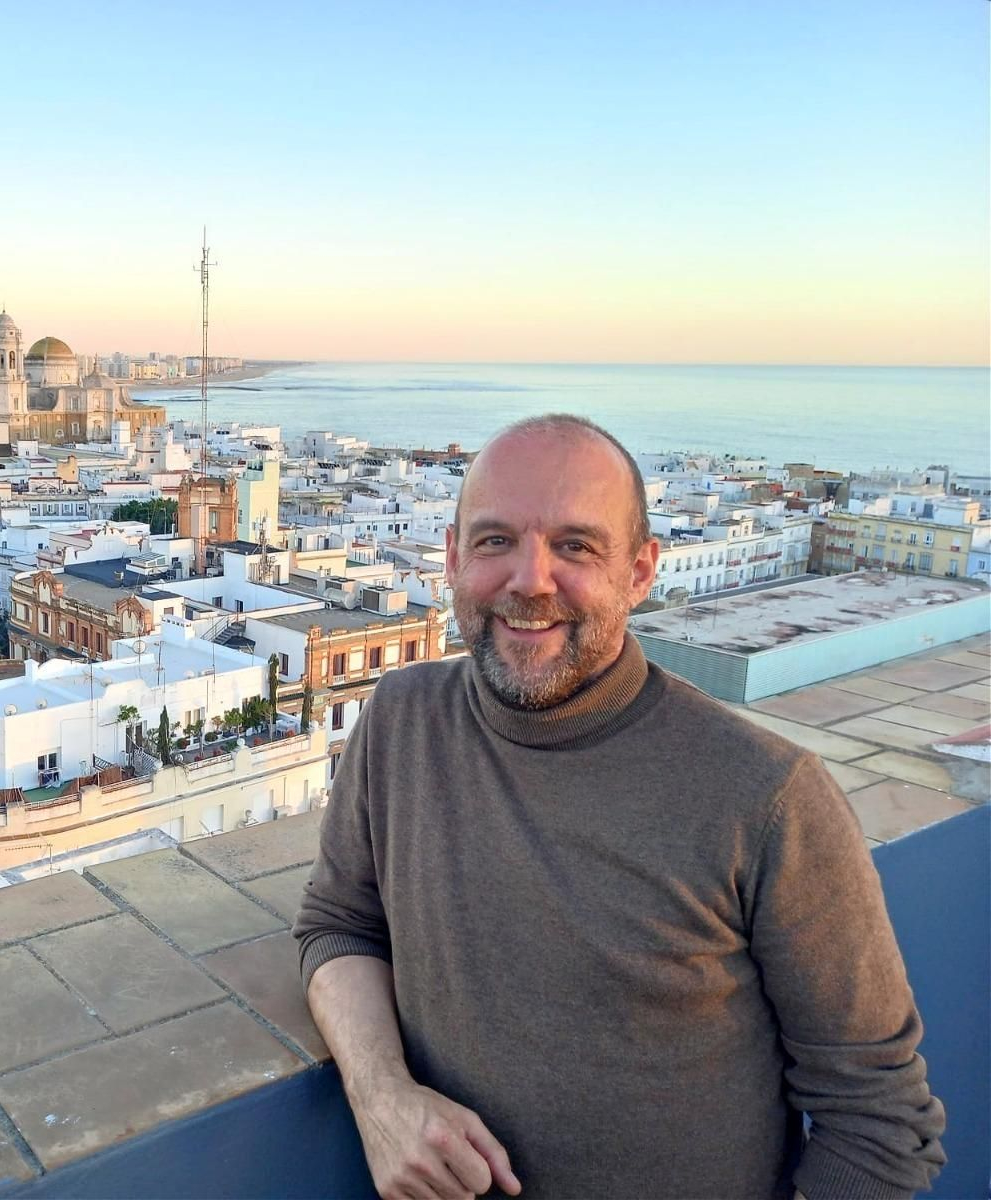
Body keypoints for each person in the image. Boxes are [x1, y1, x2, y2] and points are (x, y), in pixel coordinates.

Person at [294, 414, 945, 1200]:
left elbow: (877, 1123)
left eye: (575, 546)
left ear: (640, 573)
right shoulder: (401, 719)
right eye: (496, 540)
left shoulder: (766, 797)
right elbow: (338, 926)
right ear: (453, 559)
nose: (531, 580)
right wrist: (381, 1098)